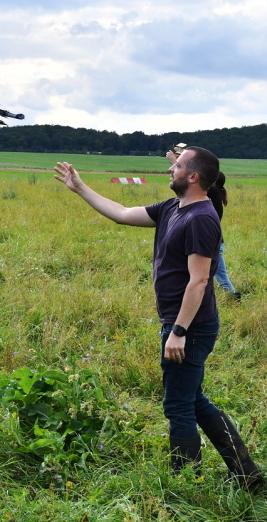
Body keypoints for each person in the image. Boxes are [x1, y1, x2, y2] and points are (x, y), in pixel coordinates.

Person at [54, 147, 262, 489]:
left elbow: (199, 280)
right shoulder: (173, 208)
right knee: (193, 400)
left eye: (177, 166)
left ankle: (186, 483)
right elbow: (121, 213)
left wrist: (178, 331)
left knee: (179, 406)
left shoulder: (201, 219)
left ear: (193, 177)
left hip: (190, 326)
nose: (170, 169)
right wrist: (80, 188)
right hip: (182, 323)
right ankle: (247, 473)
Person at [207, 172, 241, 300]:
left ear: (214, 182)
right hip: (214, 242)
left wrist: (176, 162)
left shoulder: (214, 192)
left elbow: (195, 184)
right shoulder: (215, 193)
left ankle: (233, 297)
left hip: (214, 243)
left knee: (220, 273)